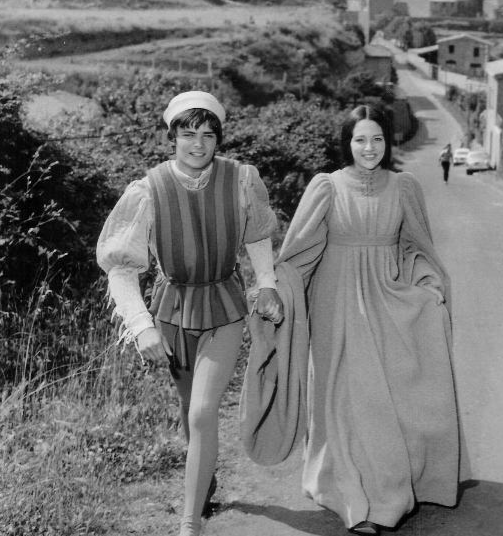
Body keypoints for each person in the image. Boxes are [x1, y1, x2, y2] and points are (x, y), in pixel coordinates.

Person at [243, 104, 462, 536]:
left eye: (377, 138)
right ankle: (353, 499)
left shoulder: (404, 187)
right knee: (346, 402)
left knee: (386, 402)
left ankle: (388, 493)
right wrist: (273, 288)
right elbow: (299, 252)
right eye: (360, 139)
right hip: (336, 306)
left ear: (387, 142)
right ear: (347, 142)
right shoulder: (326, 187)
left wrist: (429, 287)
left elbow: (416, 249)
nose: (369, 147)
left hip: (388, 302)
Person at [97, 90, 283, 536]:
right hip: (172, 309)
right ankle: (205, 481)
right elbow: (121, 268)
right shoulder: (148, 190)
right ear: (172, 137)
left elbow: (257, 236)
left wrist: (267, 284)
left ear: (218, 138)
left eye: (207, 135)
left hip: (224, 305)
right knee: (187, 406)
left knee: (201, 411)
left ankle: (189, 521)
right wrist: (141, 326)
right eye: (187, 134)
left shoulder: (241, 179)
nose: (198, 144)